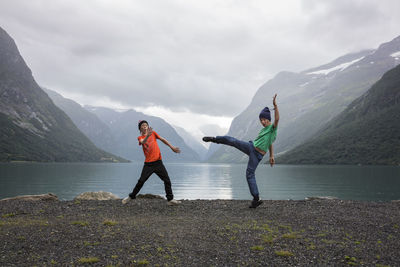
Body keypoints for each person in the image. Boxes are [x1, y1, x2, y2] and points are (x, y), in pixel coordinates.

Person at [203, 94, 279, 208]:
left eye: (264, 119)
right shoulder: (264, 130)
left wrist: (275, 106)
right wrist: (271, 155)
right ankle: (214, 139)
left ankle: (256, 199)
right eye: (261, 120)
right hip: (251, 147)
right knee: (233, 141)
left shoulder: (272, 128)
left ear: (269, 119)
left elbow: (277, 119)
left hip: (257, 155)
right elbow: (269, 143)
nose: (263, 122)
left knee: (249, 174)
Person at [122, 120, 181, 205]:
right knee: (141, 181)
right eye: (143, 125)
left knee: (167, 180)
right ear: (140, 128)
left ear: (148, 127)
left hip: (158, 162)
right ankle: (131, 197)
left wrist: (172, 147)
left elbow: (162, 139)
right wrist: (147, 136)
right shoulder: (140, 138)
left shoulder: (153, 133)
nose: (145, 126)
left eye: (146, 125)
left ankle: (170, 200)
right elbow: (143, 142)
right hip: (148, 164)